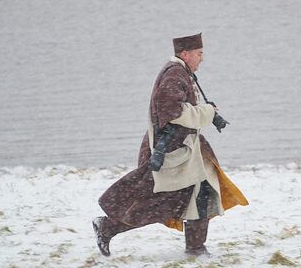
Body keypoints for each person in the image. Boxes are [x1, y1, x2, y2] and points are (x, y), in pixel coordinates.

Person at [93, 33, 247, 256]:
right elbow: (172, 111)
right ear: (186, 54)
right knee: (162, 201)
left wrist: (207, 115)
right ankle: (107, 227)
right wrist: (207, 112)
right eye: (199, 54)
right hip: (171, 150)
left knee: (200, 193)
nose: (202, 58)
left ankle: (196, 247)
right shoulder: (175, 75)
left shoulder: (182, 73)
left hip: (185, 148)